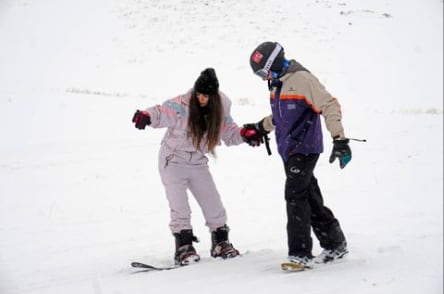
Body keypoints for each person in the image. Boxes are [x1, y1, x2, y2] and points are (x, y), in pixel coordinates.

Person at [132, 68, 263, 266]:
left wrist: (245, 134)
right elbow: (160, 112)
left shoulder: (221, 108)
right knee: (180, 207)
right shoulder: (181, 104)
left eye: (206, 96)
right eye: (199, 94)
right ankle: (184, 247)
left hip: (198, 161)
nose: (201, 99)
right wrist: (146, 116)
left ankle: (221, 242)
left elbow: (229, 133)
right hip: (173, 160)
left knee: (213, 204)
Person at [244, 41, 351, 271]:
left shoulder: (303, 80)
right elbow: (281, 117)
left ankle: (300, 253)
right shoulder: (277, 83)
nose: (264, 78)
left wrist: (339, 139)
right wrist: (261, 127)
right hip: (288, 150)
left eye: (264, 72)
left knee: (294, 196)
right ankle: (335, 243)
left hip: (305, 149)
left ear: (275, 63)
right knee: (309, 197)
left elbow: (329, 105)